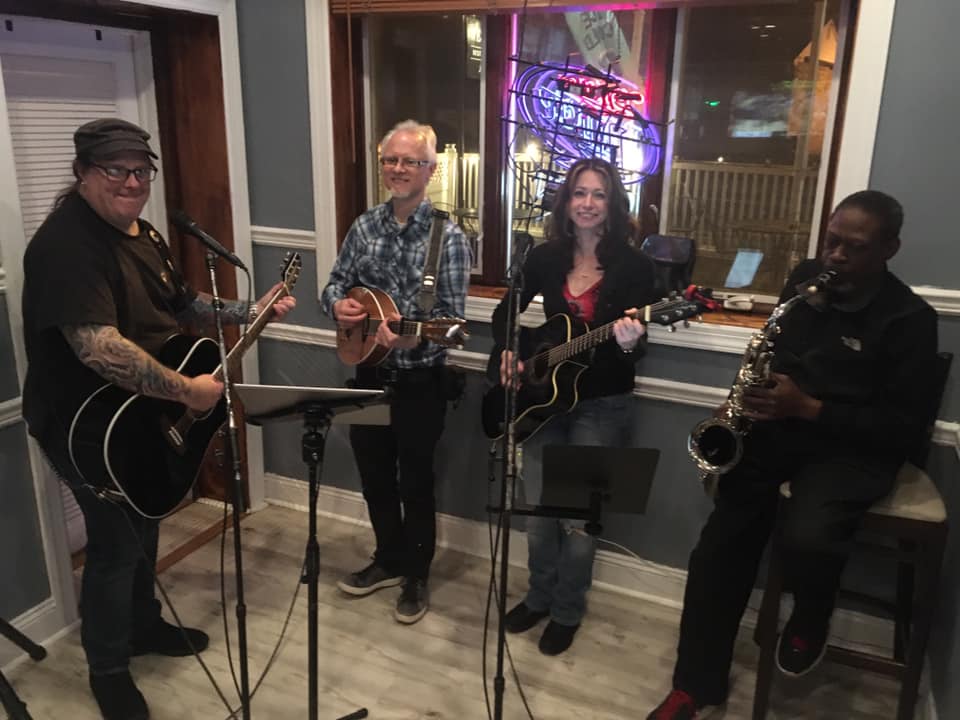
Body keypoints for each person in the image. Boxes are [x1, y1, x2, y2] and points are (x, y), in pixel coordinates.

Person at [20, 118, 295, 720]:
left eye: (140, 171)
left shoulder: (142, 232)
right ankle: (108, 670)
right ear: (82, 173)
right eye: (114, 170)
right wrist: (187, 390)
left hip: (134, 410)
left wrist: (249, 309)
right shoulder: (66, 246)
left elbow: (183, 302)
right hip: (82, 422)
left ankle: (142, 626)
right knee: (116, 541)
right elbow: (97, 347)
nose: (131, 182)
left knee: (144, 518)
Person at [647, 190, 939, 719]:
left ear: (888, 249)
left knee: (809, 533)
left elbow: (901, 429)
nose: (836, 256)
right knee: (717, 552)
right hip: (779, 430)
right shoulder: (805, 282)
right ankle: (695, 684)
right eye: (831, 241)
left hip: (853, 450)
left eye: (854, 247)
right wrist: (739, 399)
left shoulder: (910, 320)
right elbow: (772, 350)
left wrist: (808, 408)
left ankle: (811, 615)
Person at [491, 157, 659, 655]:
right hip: (544, 401)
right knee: (539, 514)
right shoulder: (545, 257)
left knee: (579, 520)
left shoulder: (635, 267)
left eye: (598, 194)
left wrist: (628, 343)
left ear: (613, 204)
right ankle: (538, 596)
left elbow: (637, 349)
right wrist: (508, 354)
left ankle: (566, 610)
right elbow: (505, 313)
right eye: (579, 193)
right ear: (566, 202)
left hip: (602, 404)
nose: (588, 203)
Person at [320, 120, 471, 625]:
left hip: (420, 384)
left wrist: (414, 335)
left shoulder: (448, 238)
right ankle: (388, 558)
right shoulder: (364, 226)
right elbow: (334, 285)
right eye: (391, 159)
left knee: (416, 483)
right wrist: (337, 305)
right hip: (366, 376)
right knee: (374, 476)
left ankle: (416, 574)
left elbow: (453, 325)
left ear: (430, 170)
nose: (399, 168)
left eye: (411, 161)